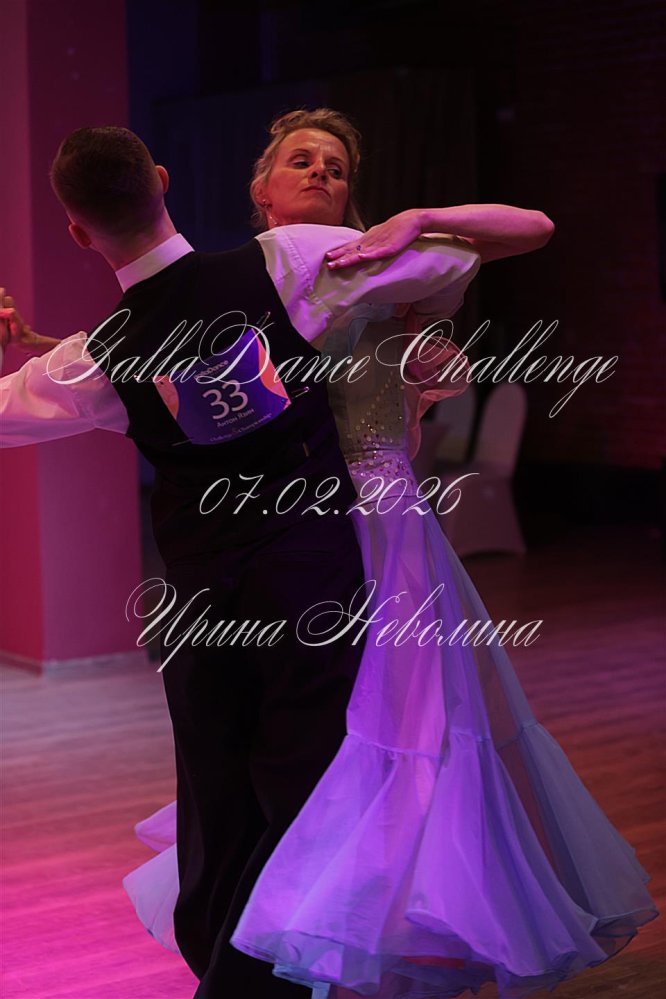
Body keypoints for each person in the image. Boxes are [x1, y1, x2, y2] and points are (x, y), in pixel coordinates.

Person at [112, 109, 658, 999]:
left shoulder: (383, 271)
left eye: (336, 165)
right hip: (290, 540)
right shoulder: (236, 287)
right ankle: (299, 931)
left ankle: (382, 929)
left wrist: (416, 221)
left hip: (386, 530)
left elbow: (533, 227)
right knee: (306, 748)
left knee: (400, 736)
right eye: (301, 160)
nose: (321, 172)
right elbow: (137, 369)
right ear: (261, 188)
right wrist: (34, 346)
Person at [0, 124, 488, 999]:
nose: (320, 174)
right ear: (162, 179)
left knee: (219, 804)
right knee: (300, 790)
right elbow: (455, 258)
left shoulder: (100, 355)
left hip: (205, 604)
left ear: (75, 231)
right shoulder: (287, 261)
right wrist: (411, 249)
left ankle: (234, 966)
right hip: (311, 581)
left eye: (332, 165)